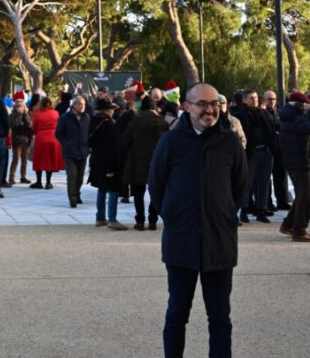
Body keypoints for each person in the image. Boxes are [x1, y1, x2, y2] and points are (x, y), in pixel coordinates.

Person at [148, 83, 248, 358]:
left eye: (214, 103)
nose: (210, 109)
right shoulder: (170, 142)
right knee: (177, 314)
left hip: (219, 244)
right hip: (182, 243)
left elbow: (240, 186)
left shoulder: (229, 142)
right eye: (202, 103)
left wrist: (224, 213)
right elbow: (156, 185)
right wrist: (173, 214)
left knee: (219, 317)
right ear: (187, 107)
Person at [278, 91, 310, 242]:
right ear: (299, 104)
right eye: (305, 104)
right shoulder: (295, 116)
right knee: (305, 197)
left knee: (301, 196)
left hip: (297, 159)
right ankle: (299, 230)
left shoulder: (290, 115)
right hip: (299, 161)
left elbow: (300, 134)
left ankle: (289, 224)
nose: (307, 107)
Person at [121, 95, 168, 230]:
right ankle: (153, 219)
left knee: (137, 193)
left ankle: (140, 221)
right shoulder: (161, 122)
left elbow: (125, 140)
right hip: (156, 161)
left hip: (137, 160)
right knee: (156, 191)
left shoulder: (135, 121)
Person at [235, 89, 276, 223]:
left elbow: (271, 130)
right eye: (251, 98)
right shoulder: (240, 115)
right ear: (245, 100)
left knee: (264, 183)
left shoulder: (264, 113)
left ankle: (261, 210)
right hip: (250, 153)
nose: (254, 100)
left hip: (266, 152)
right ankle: (244, 211)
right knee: (248, 183)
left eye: (255, 98)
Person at [88, 99, 127, 230]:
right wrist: (110, 168)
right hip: (108, 162)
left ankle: (100, 218)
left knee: (102, 188)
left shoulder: (93, 121)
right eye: (111, 109)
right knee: (114, 190)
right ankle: (112, 219)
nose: (112, 111)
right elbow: (110, 148)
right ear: (106, 110)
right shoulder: (109, 124)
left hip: (96, 160)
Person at [55, 96, 91, 208]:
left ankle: (76, 193)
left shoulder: (87, 117)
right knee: (72, 175)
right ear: (74, 105)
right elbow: (58, 133)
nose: (82, 106)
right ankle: (73, 198)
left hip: (83, 151)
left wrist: (89, 147)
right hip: (69, 152)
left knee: (80, 177)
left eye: (84, 104)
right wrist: (66, 144)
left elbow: (90, 133)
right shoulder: (65, 117)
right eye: (80, 104)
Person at [30, 96, 64, 190]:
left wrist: (36, 133)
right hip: (53, 138)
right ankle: (48, 182)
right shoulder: (56, 113)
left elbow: (34, 128)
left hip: (41, 138)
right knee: (50, 160)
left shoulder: (37, 114)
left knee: (39, 160)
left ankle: (39, 182)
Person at [8, 99, 32, 185]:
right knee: (15, 159)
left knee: (24, 160)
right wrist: (19, 114)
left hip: (25, 140)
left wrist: (25, 114)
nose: (19, 108)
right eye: (18, 106)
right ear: (15, 107)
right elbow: (15, 124)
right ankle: (11, 177)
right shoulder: (12, 116)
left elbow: (29, 125)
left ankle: (23, 177)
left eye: (21, 106)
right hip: (17, 140)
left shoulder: (26, 115)